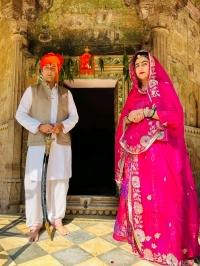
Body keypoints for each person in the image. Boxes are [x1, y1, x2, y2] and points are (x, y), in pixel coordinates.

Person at [113, 50, 200, 265]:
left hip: (160, 155)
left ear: (152, 66)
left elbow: (176, 117)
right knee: (140, 198)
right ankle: (143, 243)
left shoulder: (162, 89)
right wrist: (129, 119)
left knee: (163, 197)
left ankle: (166, 246)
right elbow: (124, 121)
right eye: (137, 65)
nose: (140, 67)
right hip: (136, 157)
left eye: (144, 63)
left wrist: (147, 113)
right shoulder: (133, 94)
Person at [16, 52, 79, 242]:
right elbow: (20, 114)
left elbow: (74, 117)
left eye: (53, 67)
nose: (50, 70)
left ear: (58, 70)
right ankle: (35, 224)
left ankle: (56, 220)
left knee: (59, 181)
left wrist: (61, 126)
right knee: (35, 183)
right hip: (38, 145)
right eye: (46, 67)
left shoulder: (66, 94)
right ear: (41, 70)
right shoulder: (32, 91)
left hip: (60, 144)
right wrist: (39, 126)